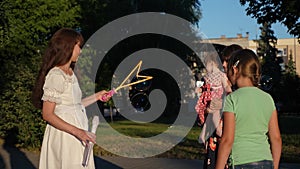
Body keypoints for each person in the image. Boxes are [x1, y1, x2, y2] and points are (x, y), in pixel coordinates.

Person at [32, 28, 111, 169]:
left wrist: (97, 96)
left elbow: (74, 105)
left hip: (77, 132)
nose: (80, 51)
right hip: (65, 135)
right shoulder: (56, 75)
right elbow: (47, 114)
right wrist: (78, 132)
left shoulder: (70, 73)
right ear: (68, 47)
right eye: (78, 46)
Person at [216, 49, 282, 169]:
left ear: (235, 70)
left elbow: (227, 140)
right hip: (266, 162)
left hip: (241, 162)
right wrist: (275, 166)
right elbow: (276, 138)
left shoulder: (232, 99)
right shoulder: (268, 99)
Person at [195, 53, 232, 169]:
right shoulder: (208, 77)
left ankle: (217, 130)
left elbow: (227, 89)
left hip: (225, 145)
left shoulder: (222, 78)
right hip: (213, 145)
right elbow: (205, 88)